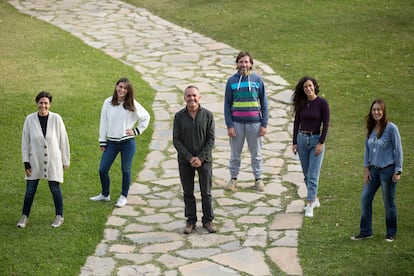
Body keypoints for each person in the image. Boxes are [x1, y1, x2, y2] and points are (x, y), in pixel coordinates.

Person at [90, 77, 150, 208]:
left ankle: (124, 196)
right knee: (102, 169)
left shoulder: (132, 103)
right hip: (111, 143)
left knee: (125, 170)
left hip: (127, 143)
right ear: (116, 86)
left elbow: (146, 117)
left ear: (128, 91)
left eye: (125, 88)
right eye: (120, 86)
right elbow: (103, 122)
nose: (122, 90)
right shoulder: (108, 102)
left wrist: (136, 131)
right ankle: (105, 194)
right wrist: (102, 140)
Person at [351, 99, 403, 242]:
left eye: (379, 109)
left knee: (388, 203)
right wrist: (366, 168)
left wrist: (398, 171)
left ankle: (391, 232)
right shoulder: (371, 127)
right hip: (373, 171)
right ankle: (366, 231)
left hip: (388, 171)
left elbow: (398, 150)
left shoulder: (392, 128)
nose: (376, 112)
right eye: (374, 110)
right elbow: (367, 149)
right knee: (365, 199)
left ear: (384, 111)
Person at [17, 91, 70, 228]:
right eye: (41, 103)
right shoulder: (29, 119)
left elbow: (63, 140)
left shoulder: (57, 119)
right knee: (30, 190)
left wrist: (65, 160)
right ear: (37, 103)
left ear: (50, 104)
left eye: (46, 103)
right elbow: (25, 142)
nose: (43, 106)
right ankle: (24, 216)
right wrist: (26, 162)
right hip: (34, 161)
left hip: (53, 160)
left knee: (55, 188)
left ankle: (59, 216)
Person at [173, 85, 216, 234]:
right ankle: (191, 221)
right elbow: (176, 140)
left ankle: (208, 220)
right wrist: (190, 157)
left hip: (204, 161)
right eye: (188, 96)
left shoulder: (208, 116)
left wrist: (201, 158)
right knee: (188, 192)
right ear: (184, 98)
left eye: (194, 95)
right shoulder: (179, 117)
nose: (191, 98)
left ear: (199, 98)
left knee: (206, 192)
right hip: (186, 161)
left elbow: (211, 139)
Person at [224, 51, 269, 192]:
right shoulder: (231, 81)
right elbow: (227, 105)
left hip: (255, 124)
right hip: (236, 124)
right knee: (235, 154)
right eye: (241, 62)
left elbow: (265, 103)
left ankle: (258, 180)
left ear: (251, 64)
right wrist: (229, 125)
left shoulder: (258, 80)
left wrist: (264, 124)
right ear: (237, 64)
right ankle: (233, 179)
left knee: (256, 154)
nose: (244, 64)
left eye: (246, 62)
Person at [292, 76, 330, 218]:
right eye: (305, 87)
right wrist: (294, 142)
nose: (308, 89)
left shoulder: (322, 103)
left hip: (315, 141)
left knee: (313, 175)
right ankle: (315, 199)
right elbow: (296, 123)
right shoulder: (301, 104)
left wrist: (321, 142)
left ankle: (309, 204)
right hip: (302, 140)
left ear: (314, 86)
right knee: (307, 175)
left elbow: (326, 124)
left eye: (310, 86)